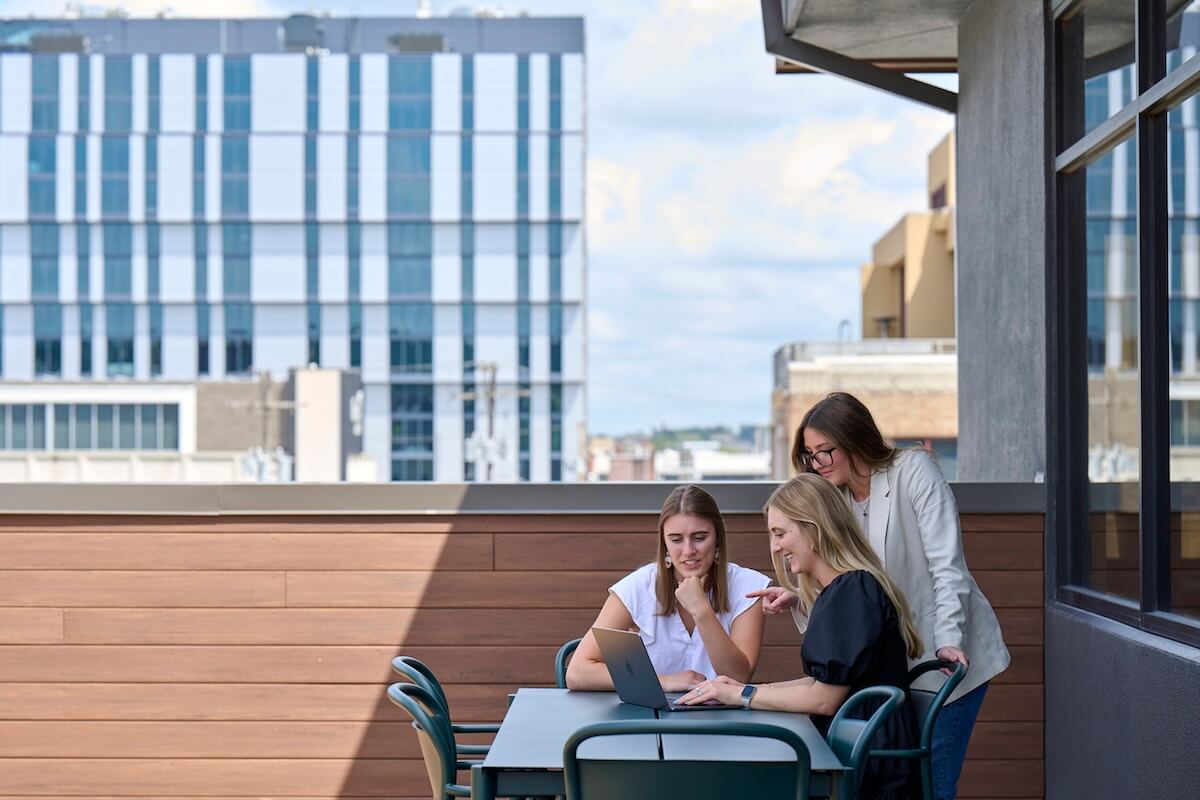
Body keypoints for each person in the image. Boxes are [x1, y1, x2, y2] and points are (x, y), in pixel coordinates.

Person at [750, 392, 1010, 800]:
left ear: (854, 439)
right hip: (892, 664)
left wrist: (949, 640)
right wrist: (798, 599)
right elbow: (852, 594)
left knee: (934, 784)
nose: (817, 464)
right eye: (810, 454)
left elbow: (948, 566)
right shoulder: (833, 500)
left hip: (945, 656)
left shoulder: (914, 471)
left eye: (825, 451)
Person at [680, 474, 921, 800]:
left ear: (814, 528)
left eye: (780, 533)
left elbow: (824, 699)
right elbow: (820, 685)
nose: (776, 547)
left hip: (867, 763)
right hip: (856, 747)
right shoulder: (844, 590)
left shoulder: (852, 592)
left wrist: (742, 697)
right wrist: (743, 689)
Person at [565, 484, 770, 692]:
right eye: (676, 540)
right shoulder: (638, 586)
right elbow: (577, 672)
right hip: (651, 719)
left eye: (699, 538)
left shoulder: (748, 586)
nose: (688, 550)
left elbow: (738, 676)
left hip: (724, 719)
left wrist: (701, 610)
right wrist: (665, 681)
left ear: (717, 539)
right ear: (664, 543)